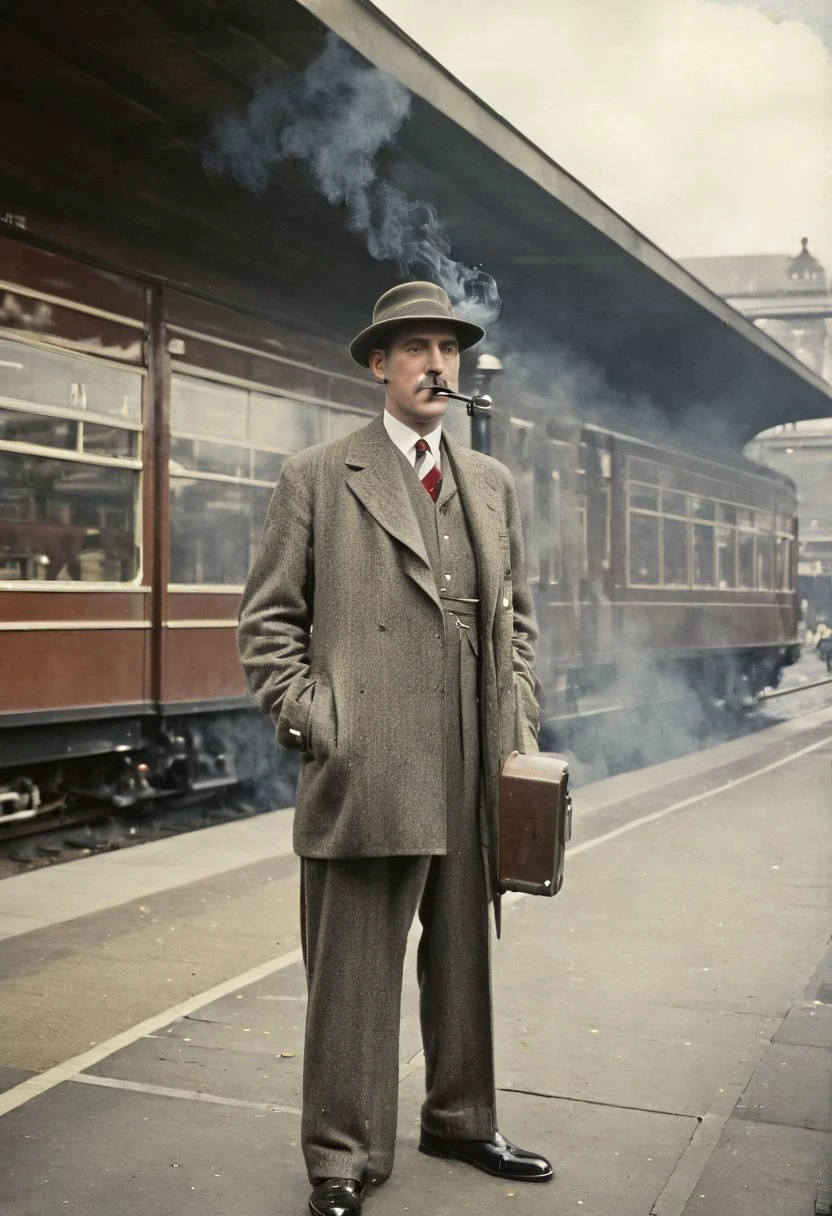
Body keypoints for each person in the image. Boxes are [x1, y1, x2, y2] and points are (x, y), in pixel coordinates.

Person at [237, 282, 552, 1216]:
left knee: (462, 952)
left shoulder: (491, 485)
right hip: (366, 752)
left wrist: (516, 706)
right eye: (415, 348)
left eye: (448, 350)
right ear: (379, 365)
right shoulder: (318, 476)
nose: (436, 366)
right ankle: (341, 1156)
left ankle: (460, 1118)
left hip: (472, 744)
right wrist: (313, 717)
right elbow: (266, 623)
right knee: (354, 968)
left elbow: (518, 621)